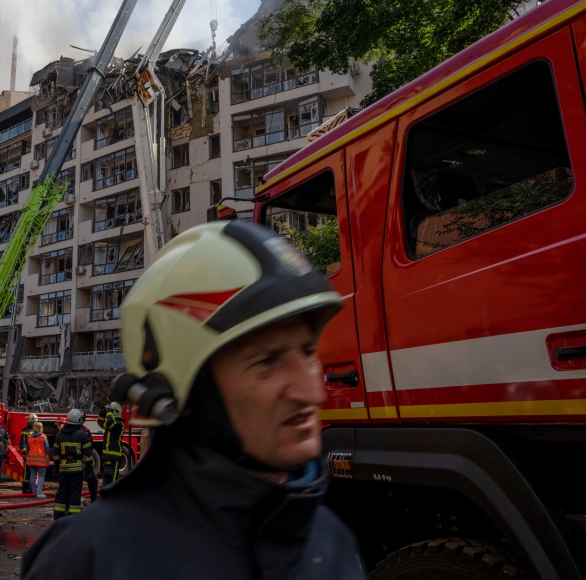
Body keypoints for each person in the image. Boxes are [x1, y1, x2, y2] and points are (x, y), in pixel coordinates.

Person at [21, 221, 366, 578]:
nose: (313, 392)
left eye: (308, 352)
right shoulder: (89, 560)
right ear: (183, 393)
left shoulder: (333, 541)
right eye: (266, 362)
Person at [52, 409, 92, 519]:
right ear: (78, 420)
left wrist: (55, 468)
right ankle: (74, 517)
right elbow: (88, 455)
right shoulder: (82, 434)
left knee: (62, 491)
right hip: (77, 469)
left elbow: (56, 454)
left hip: (63, 468)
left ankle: (58, 516)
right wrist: (90, 470)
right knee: (75, 492)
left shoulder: (60, 434)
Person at [97, 402, 125, 486]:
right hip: (107, 456)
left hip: (114, 456)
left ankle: (111, 496)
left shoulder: (119, 424)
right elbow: (101, 423)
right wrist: (102, 413)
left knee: (112, 479)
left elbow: (110, 422)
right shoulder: (111, 423)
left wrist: (109, 411)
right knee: (107, 478)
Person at [25, 422, 50, 498]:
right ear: (41, 428)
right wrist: (47, 457)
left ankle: (33, 491)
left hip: (31, 460)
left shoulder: (29, 437)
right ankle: (39, 492)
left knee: (33, 475)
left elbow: (27, 449)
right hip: (41, 460)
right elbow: (47, 448)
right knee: (42, 476)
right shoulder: (43, 437)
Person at [18, 414, 38, 493]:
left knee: (33, 472)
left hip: (34, 454)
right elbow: (22, 442)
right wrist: (24, 453)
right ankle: (25, 489)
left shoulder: (35, 429)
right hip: (28, 454)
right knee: (27, 472)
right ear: (30, 421)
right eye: (33, 422)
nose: (34, 423)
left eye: (35, 422)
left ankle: (30, 487)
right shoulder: (26, 430)